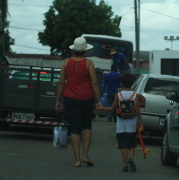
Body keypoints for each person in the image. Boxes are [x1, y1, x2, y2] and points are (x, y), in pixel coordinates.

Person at [55, 37, 102, 167]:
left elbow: (61, 83)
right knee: (87, 126)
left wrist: (58, 100)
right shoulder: (89, 63)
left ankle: (77, 160)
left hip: (70, 98)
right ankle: (85, 155)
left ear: (74, 50)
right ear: (85, 51)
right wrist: (99, 100)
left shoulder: (65, 63)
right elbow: (94, 82)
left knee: (75, 127)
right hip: (87, 98)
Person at [97, 73, 143, 172]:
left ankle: (125, 165)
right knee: (132, 144)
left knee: (123, 145)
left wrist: (101, 108)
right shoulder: (136, 95)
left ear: (121, 83)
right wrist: (141, 123)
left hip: (121, 125)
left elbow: (111, 108)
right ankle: (131, 157)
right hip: (132, 124)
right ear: (133, 83)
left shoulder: (118, 95)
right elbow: (138, 110)